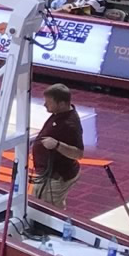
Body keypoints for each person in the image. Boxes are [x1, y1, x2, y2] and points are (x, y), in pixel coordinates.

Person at [31, 82, 84, 210]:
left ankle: (54, 229)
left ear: (61, 104)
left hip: (58, 176)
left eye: (48, 102)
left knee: (50, 211)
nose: (44, 105)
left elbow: (78, 154)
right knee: (38, 202)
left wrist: (57, 145)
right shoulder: (59, 114)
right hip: (47, 173)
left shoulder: (70, 125)